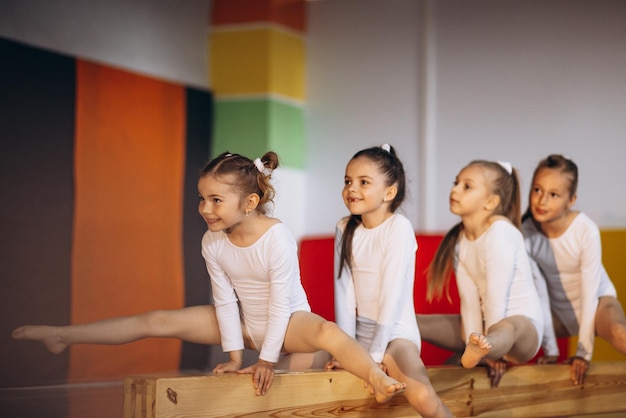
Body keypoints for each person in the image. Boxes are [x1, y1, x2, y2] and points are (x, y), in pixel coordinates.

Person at [12, 151, 407, 402]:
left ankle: (376, 376)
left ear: (250, 202)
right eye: (202, 198)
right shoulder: (212, 241)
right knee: (159, 320)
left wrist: (266, 359)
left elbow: (277, 301)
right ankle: (63, 335)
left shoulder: (277, 237)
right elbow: (223, 299)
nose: (205, 208)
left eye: (216, 200)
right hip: (242, 321)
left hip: (287, 322)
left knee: (328, 333)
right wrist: (235, 355)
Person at [328, 144, 452, 417]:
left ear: (389, 192)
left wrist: (373, 356)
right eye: (348, 181)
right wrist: (346, 348)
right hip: (358, 335)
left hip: (395, 334)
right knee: (299, 363)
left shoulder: (398, 228)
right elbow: (344, 291)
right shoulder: (344, 227)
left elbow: (391, 296)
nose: (351, 188)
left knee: (421, 394)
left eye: (363, 182)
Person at [416, 160, 544, 388]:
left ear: (491, 202)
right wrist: (472, 346)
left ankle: (487, 346)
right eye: (456, 183)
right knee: (412, 322)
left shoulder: (500, 232)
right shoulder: (461, 242)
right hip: (485, 329)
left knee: (508, 326)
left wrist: (491, 354)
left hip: (524, 331)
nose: (454, 189)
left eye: (467, 186)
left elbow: (496, 297)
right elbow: (469, 304)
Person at [522, 154, 626, 385]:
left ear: (571, 200)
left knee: (620, 333)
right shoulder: (525, 234)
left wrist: (583, 352)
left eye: (554, 194)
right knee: (513, 340)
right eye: (537, 190)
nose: (541, 201)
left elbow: (589, 292)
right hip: (559, 313)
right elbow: (538, 294)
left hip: (597, 304)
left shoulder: (585, 230)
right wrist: (550, 350)